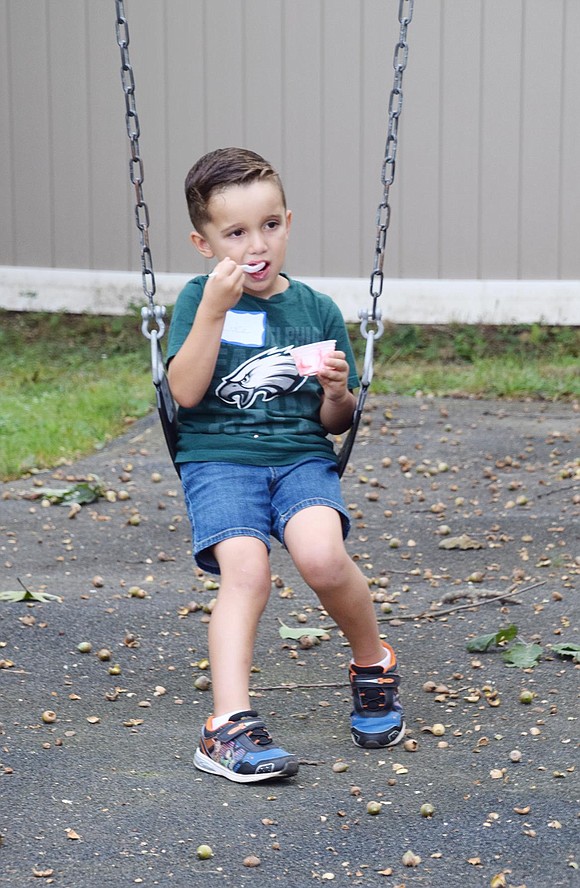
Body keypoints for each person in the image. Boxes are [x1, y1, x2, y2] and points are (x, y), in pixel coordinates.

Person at [167, 147, 405, 784]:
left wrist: (335, 393)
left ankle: (371, 663)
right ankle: (227, 727)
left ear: (288, 222)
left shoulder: (316, 310)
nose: (256, 245)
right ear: (203, 241)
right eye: (235, 232)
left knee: (324, 559)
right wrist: (216, 311)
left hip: (300, 458)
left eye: (270, 225)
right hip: (219, 461)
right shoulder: (197, 299)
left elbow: (336, 421)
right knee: (246, 571)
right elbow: (185, 392)